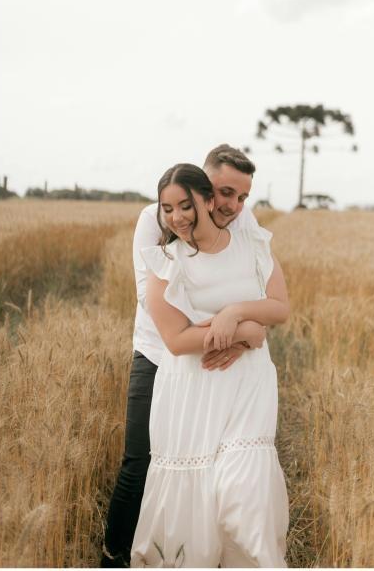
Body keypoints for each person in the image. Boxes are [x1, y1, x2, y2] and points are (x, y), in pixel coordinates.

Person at [101, 145, 270, 568]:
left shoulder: (242, 223)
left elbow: (256, 292)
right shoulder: (152, 220)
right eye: (223, 192)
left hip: (217, 364)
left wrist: (241, 331)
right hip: (158, 353)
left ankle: (197, 552)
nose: (229, 206)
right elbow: (152, 299)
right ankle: (114, 555)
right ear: (203, 183)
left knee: (212, 463)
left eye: (239, 198)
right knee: (142, 459)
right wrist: (230, 330)